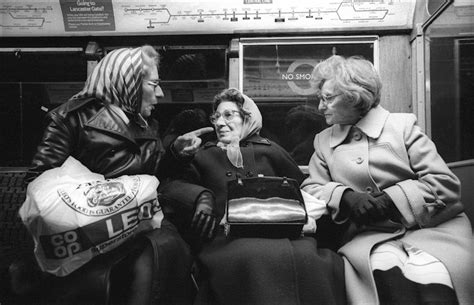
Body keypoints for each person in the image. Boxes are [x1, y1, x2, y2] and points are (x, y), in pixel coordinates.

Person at [15, 45, 212, 305]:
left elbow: (152, 178)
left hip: (139, 223)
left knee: (172, 251)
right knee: (147, 260)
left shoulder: (146, 124)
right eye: (154, 84)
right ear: (128, 83)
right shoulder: (71, 119)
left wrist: (175, 154)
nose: (160, 93)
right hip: (88, 232)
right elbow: (38, 186)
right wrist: (108, 193)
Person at [301, 55, 473, 305]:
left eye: (328, 98)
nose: (320, 107)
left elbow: (444, 183)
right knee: (386, 277)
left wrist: (392, 199)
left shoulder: (402, 127)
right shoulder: (323, 141)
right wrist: (346, 197)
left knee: (435, 278)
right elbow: (311, 188)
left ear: (354, 96)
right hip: (370, 236)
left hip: (434, 229)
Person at [158, 88, 345, 305]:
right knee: (251, 260)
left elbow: (303, 190)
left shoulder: (271, 150)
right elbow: (170, 186)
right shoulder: (203, 155)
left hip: (284, 233)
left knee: (315, 261)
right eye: (216, 116)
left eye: (228, 115)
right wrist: (200, 196)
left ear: (247, 118)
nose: (219, 122)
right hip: (228, 239)